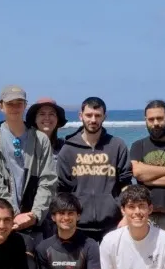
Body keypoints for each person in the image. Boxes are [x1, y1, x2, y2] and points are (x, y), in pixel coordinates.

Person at [0, 86, 58, 242]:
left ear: (25, 105)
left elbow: (48, 181)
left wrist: (34, 215)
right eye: (10, 103)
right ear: (0, 105)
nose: (15, 108)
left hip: (34, 223)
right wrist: (13, 214)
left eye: (19, 103)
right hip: (1, 222)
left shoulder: (40, 140)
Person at [55, 96, 132, 242]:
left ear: (104, 117)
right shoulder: (68, 149)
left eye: (97, 116)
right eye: (88, 115)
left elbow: (126, 184)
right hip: (77, 226)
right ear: (81, 116)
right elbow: (62, 190)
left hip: (113, 224)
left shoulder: (117, 145)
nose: (93, 120)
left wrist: (126, 216)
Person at [130, 100, 165, 231]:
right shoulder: (138, 146)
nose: (156, 123)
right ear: (146, 120)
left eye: (160, 118)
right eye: (151, 119)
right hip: (144, 215)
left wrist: (147, 177)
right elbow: (137, 172)